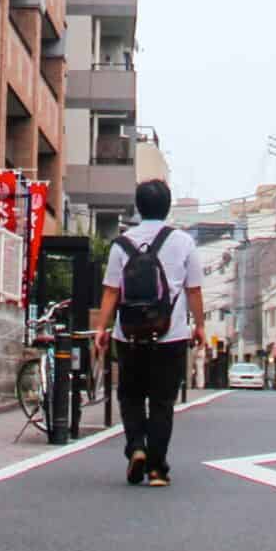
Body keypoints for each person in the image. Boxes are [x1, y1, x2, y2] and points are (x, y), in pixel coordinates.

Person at [91, 178, 203, 488]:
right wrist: (201, 326)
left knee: (130, 396)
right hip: (171, 335)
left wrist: (101, 328)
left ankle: (136, 447)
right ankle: (157, 469)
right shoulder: (183, 242)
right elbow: (193, 290)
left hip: (129, 335)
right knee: (162, 401)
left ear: (139, 207)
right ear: (167, 207)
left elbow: (111, 292)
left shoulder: (121, 243)